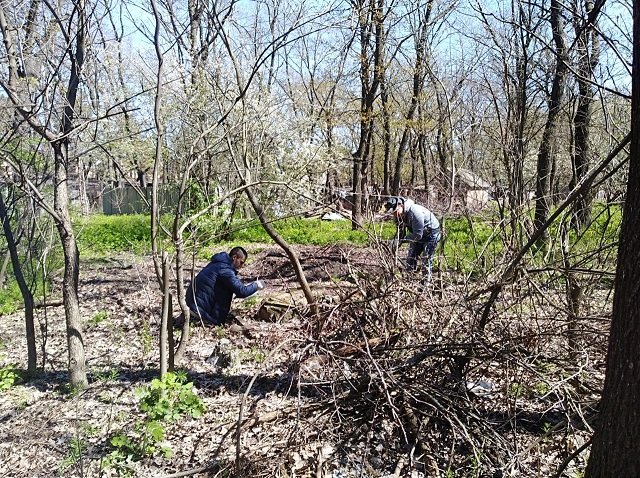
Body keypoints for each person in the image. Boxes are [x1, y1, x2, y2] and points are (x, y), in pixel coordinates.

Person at [185, 246, 265, 326]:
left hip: (191, 305)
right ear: (234, 257)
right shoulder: (225, 270)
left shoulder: (217, 264)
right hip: (200, 311)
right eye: (241, 262)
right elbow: (242, 291)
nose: (242, 266)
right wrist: (257, 285)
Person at [384, 196, 441, 282]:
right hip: (417, 233)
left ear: (400, 205)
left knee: (426, 259)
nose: (394, 214)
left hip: (431, 234)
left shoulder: (415, 212)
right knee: (411, 258)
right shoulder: (398, 216)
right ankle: (410, 280)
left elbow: (418, 235)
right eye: (393, 213)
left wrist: (402, 240)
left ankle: (426, 283)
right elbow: (401, 233)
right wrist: (394, 244)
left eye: (395, 212)